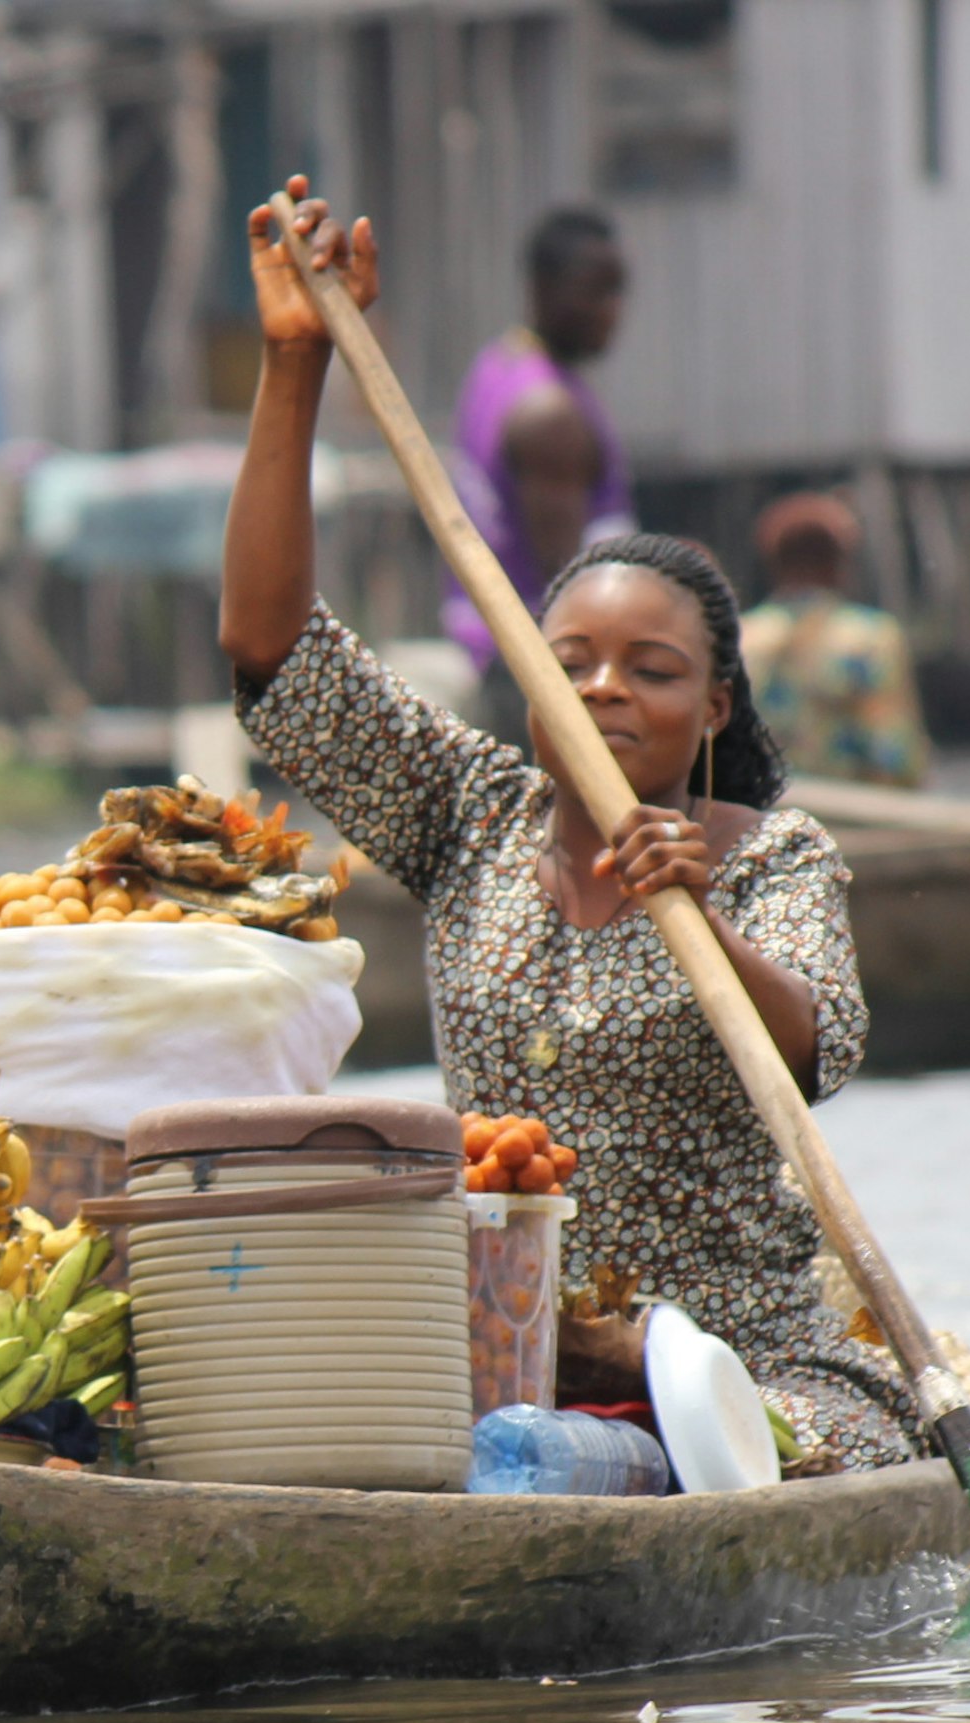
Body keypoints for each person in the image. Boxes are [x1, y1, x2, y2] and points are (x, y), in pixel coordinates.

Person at [223, 180, 911, 1474]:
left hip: (735, 1362)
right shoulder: (469, 812)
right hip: (504, 1346)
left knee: (719, 1451)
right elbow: (271, 653)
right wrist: (293, 362)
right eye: (572, 663)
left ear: (710, 706)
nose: (603, 690)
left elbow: (823, 1043)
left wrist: (695, 905)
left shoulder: (771, 856)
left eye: (648, 671)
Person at [445, 205, 635, 744]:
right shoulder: (550, 412)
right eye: (594, 290)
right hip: (538, 674)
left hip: (495, 657)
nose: (611, 311)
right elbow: (566, 586)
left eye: (618, 291)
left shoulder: (499, 366)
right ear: (542, 287)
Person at [740, 491, 927, 788]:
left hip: (763, 808)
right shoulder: (869, 638)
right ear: (838, 563)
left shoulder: (742, 637)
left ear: (774, 562)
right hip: (852, 812)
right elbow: (894, 751)